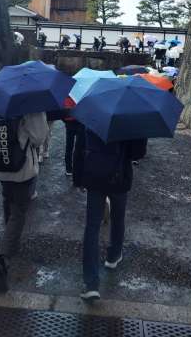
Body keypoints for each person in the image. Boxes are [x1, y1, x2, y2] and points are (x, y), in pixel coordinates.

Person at [73, 130, 147, 301]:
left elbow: (80, 145)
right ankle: (113, 256)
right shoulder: (130, 119)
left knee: (92, 227)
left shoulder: (92, 115)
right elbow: (138, 153)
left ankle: (91, 283)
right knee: (118, 218)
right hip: (119, 175)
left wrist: (78, 178)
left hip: (94, 176)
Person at [0, 112, 49, 292]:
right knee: (18, 212)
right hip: (21, 168)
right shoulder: (32, 107)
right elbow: (39, 138)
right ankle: (3, 259)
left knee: (8, 201)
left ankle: (10, 242)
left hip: (1, 164)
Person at [63, 96, 85, 176]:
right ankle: (77, 167)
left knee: (69, 146)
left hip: (69, 122)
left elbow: (62, 111)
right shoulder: (80, 94)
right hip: (79, 121)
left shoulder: (66, 94)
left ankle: (68, 168)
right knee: (79, 147)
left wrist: (65, 120)